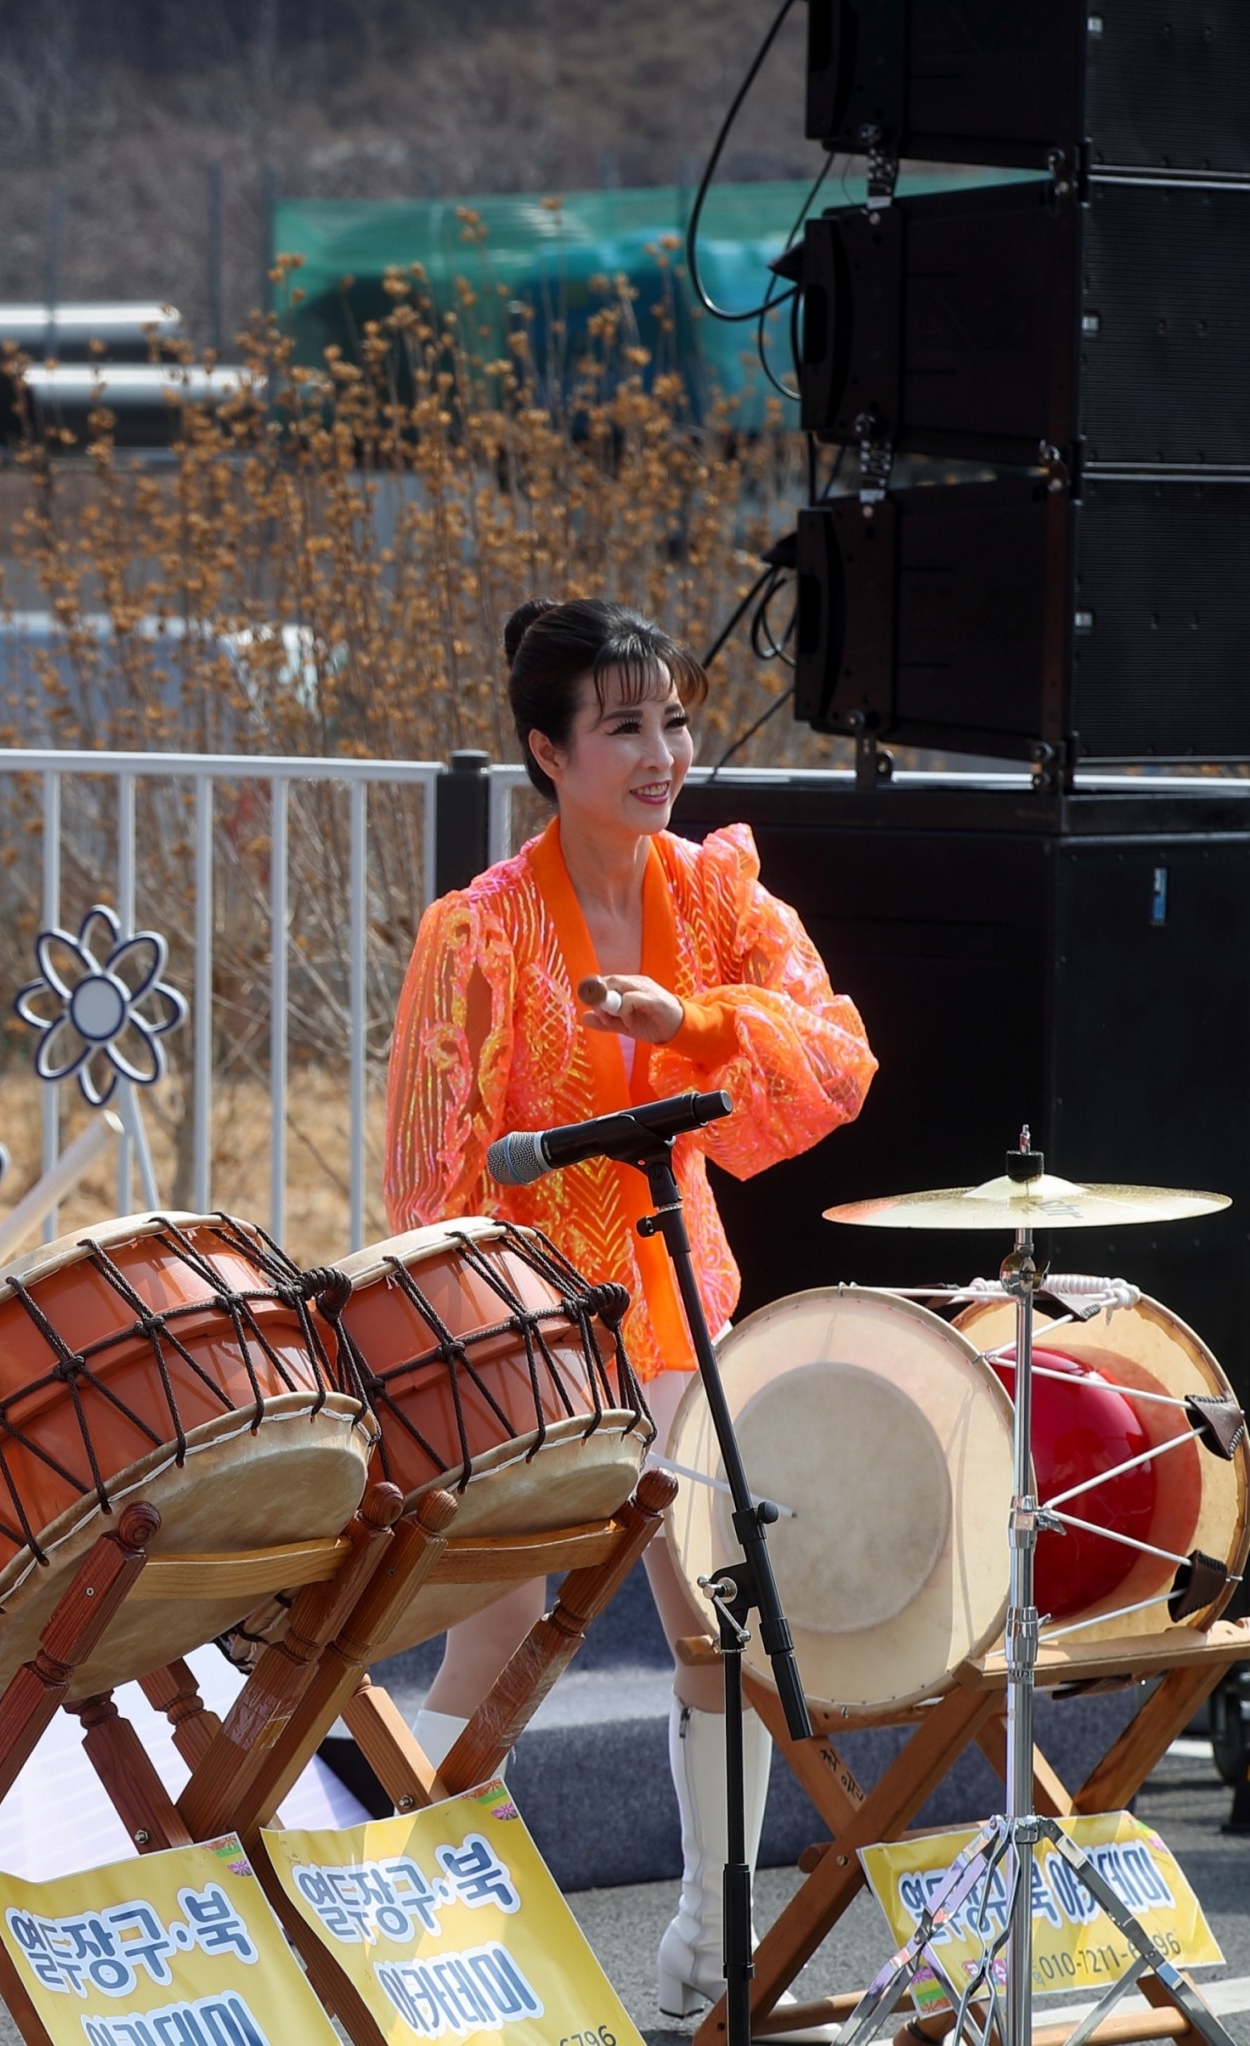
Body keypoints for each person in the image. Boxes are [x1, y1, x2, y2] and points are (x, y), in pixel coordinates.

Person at [382, 597, 876, 2023]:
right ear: (547, 750)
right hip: (522, 1317)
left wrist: (690, 1023)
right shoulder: (470, 933)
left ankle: (705, 1957)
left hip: (676, 1300)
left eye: (673, 717)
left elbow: (835, 1049)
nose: (663, 751)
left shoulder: (718, 892)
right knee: (496, 1638)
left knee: (720, 1618)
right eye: (625, 725)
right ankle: (404, 1950)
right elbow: (426, 1180)